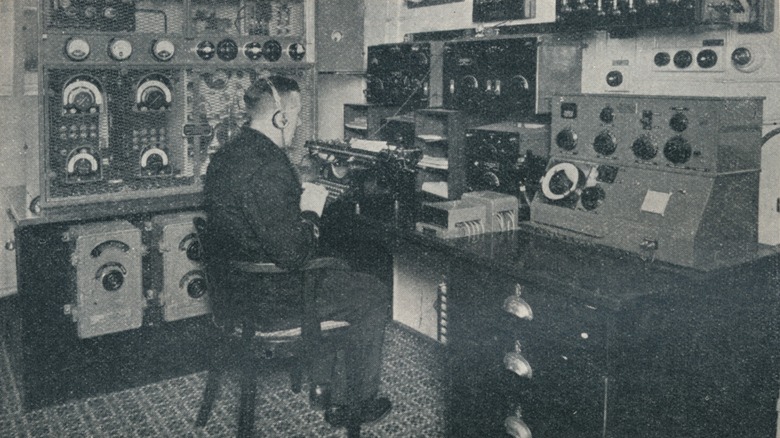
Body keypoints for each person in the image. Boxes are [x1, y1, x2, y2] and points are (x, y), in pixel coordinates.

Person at [202, 74, 392, 428]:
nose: (300, 121)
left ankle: (323, 389)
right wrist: (310, 209)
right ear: (280, 118)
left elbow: (256, 214)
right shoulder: (268, 167)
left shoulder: (228, 155)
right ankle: (353, 404)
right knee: (371, 291)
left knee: (336, 274)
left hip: (235, 293)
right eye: (298, 113)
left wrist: (295, 199)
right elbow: (294, 255)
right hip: (272, 303)